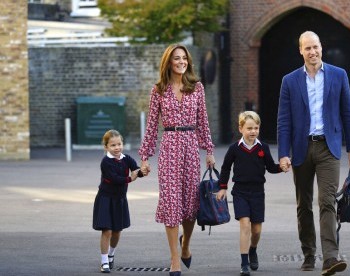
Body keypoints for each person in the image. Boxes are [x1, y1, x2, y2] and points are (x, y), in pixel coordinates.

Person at [277, 31, 350, 276]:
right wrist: (283, 153)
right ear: (300, 51)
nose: (312, 52)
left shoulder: (338, 75)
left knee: (327, 202)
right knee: (304, 205)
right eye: (307, 48)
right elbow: (283, 121)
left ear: (321, 48)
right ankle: (309, 254)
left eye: (316, 47)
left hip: (328, 148)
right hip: (301, 148)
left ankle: (330, 258)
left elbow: (348, 113)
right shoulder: (289, 81)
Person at [138, 44, 215, 276]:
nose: (181, 62)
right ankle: (174, 259)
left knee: (191, 206)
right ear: (168, 63)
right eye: (176, 59)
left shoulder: (197, 87)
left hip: (191, 146)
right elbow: (151, 126)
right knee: (172, 204)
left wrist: (209, 150)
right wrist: (145, 157)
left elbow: (203, 121)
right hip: (169, 146)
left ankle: (186, 246)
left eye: (184, 58)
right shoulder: (158, 90)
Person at [216, 111, 282, 276]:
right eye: (249, 128)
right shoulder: (234, 149)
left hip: (258, 192)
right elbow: (225, 168)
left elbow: (271, 167)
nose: (253, 131)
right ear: (241, 128)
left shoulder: (263, 147)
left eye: (256, 128)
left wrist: (281, 167)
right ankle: (244, 263)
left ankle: (253, 249)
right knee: (245, 224)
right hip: (240, 192)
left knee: (257, 230)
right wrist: (222, 187)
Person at [92, 129, 143, 273]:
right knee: (106, 230)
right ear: (106, 147)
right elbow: (114, 179)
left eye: (119, 144)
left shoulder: (126, 158)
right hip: (105, 199)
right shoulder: (106, 162)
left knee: (117, 231)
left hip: (119, 200)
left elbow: (136, 169)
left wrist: (142, 171)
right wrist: (130, 178)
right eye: (113, 145)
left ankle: (111, 254)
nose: (117, 148)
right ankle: (104, 262)